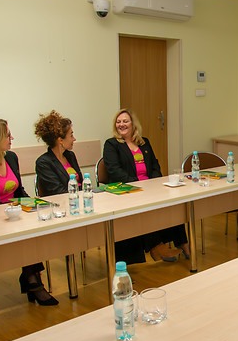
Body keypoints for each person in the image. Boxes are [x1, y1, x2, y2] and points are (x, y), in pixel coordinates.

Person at [0, 118, 58, 305]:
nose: (11, 138)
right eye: (7, 135)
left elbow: (19, 191)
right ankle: (33, 280)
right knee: (25, 233)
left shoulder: (11, 157)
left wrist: (34, 204)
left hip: (15, 214)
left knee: (36, 227)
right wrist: (16, 211)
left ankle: (31, 277)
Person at [103, 108, 189, 264]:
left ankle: (183, 243)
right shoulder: (112, 144)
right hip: (128, 190)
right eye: (118, 122)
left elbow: (155, 165)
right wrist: (138, 185)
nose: (121, 124)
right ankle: (157, 246)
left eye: (125, 121)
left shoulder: (144, 142)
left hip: (149, 188)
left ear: (133, 124)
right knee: (143, 209)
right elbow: (114, 171)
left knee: (172, 203)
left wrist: (153, 184)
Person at [34, 110, 82, 196]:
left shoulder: (70, 156)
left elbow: (81, 184)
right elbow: (57, 191)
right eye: (71, 135)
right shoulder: (43, 163)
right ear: (60, 140)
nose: (74, 139)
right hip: (63, 202)